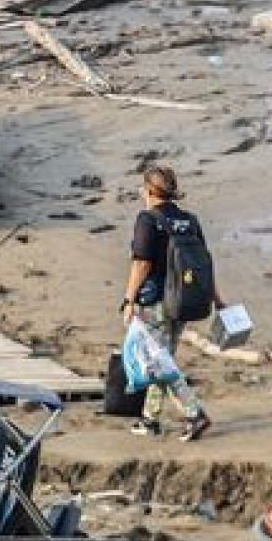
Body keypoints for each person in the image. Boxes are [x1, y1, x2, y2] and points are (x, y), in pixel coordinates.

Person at [120, 166, 215, 443]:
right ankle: (150, 419)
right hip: (184, 301)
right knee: (162, 359)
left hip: (155, 303)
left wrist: (128, 300)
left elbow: (141, 263)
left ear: (149, 191)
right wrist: (215, 298)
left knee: (159, 364)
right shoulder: (190, 220)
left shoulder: (148, 219)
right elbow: (204, 263)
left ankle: (195, 414)